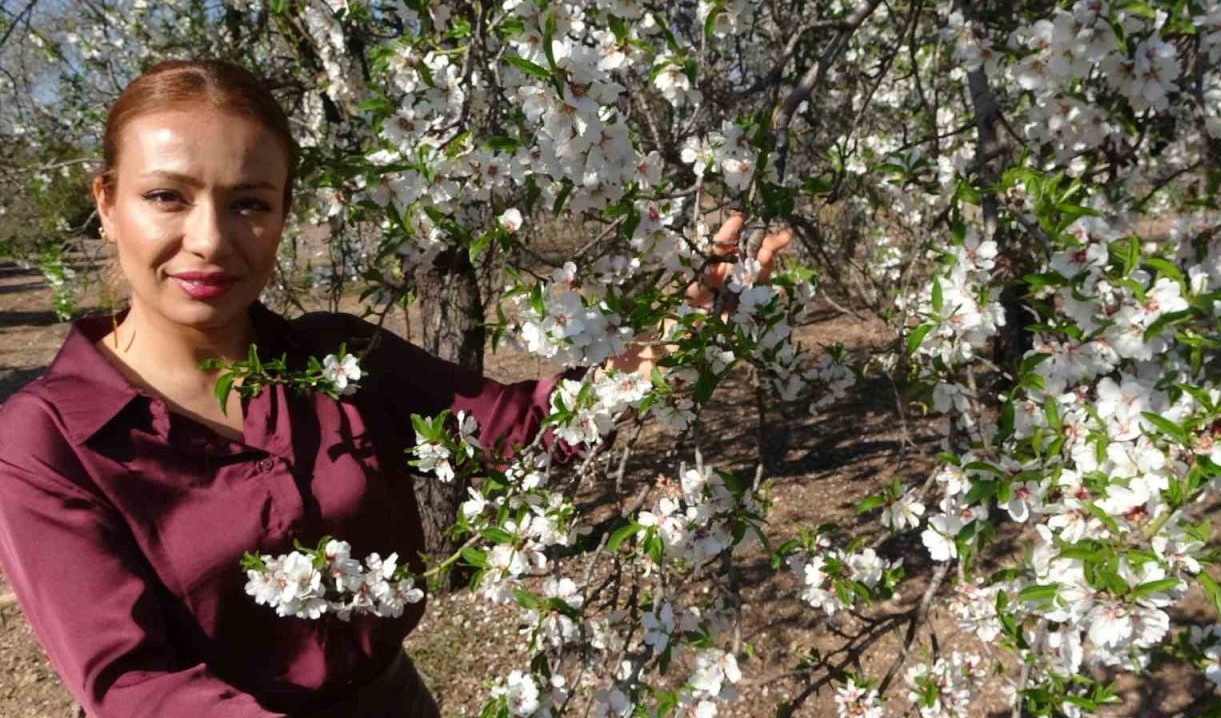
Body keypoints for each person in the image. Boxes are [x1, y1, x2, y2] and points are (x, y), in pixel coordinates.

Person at [0, 59, 790, 717]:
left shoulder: (339, 360)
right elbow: (129, 683)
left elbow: (521, 435)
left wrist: (664, 350)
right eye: (166, 196)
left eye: (249, 204)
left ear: (281, 217)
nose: (208, 240)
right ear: (107, 204)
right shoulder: (50, 436)